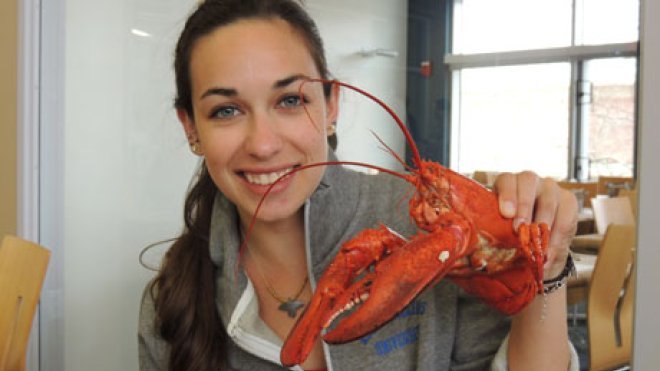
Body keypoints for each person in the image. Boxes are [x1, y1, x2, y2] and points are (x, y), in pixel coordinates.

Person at [138, 0, 580, 370]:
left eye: (290, 100)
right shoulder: (171, 298)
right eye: (226, 111)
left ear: (331, 105)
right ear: (191, 128)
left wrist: (551, 264)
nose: (264, 144)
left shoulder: (427, 231)